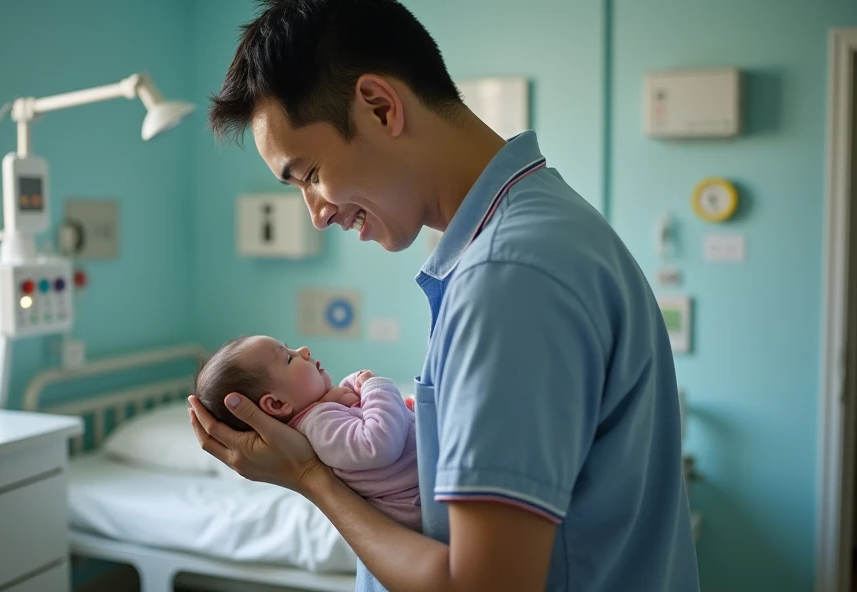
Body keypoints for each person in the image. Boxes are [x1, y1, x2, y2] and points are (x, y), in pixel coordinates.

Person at [188, 1, 701, 590]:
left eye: (308, 175)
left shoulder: (507, 277)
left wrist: (310, 477)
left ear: (380, 108)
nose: (317, 214)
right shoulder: (542, 225)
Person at [193, 335, 421, 532]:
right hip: (418, 504)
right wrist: (375, 386)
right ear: (277, 403)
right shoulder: (318, 424)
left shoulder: (323, 414)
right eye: (289, 358)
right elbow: (378, 444)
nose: (303, 351)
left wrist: (352, 387)